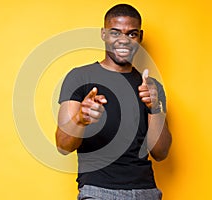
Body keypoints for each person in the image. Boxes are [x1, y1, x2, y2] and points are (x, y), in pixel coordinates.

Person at [55, 4, 172, 200]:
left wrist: (154, 107)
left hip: (146, 191)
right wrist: (80, 119)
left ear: (140, 37)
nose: (124, 40)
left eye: (132, 34)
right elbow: (63, 145)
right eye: (115, 33)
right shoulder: (79, 77)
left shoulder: (151, 87)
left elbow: (161, 153)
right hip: (98, 191)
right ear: (103, 34)